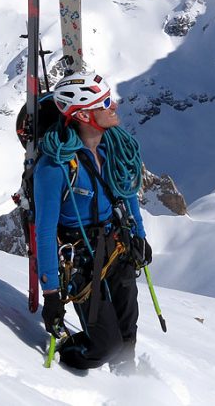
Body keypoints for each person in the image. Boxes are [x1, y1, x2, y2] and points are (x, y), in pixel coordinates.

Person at [34, 70, 152, 371]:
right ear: (85, 115)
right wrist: (50, 294)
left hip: (117, 244)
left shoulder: (112, 148)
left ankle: (129, 383)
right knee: (105, 346)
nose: (114, 107)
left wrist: (138, 235)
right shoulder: (55, 166)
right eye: (106, 103)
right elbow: (45, 231)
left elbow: (126, 192)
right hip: (82, 259)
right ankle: (70, 353)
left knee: (128, 331)